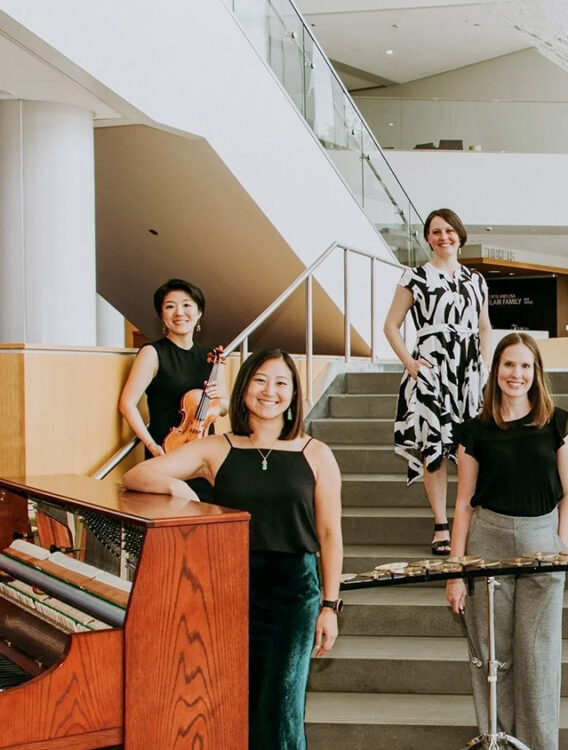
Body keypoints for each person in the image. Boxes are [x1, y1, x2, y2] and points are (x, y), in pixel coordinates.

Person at [123, 348, 343, 750]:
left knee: (280, 708)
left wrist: (330, 606)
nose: (270, 391)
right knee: (222, 702)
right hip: (224, 591)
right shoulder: (217, 448)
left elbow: (330, 534)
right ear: (243, 389)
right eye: (260, 380)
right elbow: (136, 474)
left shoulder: (317, 454)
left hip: (292, 593)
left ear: (294, 394)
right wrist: (178, 489)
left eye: (281, 383)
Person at [444, 332, 568, 750]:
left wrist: (559, 548)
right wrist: (455, 570)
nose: (516, 374)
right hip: (489, 543)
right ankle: (497, 742)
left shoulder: (558, 423)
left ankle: (538, 745)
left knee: (538, 659)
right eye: (508, 365)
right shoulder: (475, 431)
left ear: (536, 373)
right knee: (492, 657)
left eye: (525, 366)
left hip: (543, 542)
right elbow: (464, 503)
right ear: (496, 370)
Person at [384, 208, 493, 556]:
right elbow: (391, 325)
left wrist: (485, 365)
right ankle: (441, 524)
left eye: (449, 230)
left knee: (468, 448)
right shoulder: (415, 277)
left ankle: (467, 515)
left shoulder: (476, 280)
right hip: (433, 370)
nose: (443, 237)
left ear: (460, 235)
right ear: (427, 237)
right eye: (435, 232)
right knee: (434, 447)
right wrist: (410, 363)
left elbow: (484, 325)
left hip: (468, 373)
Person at [117, 278, 225, 500]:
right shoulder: (153, 353)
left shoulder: (211, 357)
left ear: (198, 313)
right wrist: (151, 445)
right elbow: (127, 404)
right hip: (166, 451)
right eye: (170, 306)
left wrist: (219, 398)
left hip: (202, 455)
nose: (179, 312)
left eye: (187, 305)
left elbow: (222, 409)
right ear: (162, 316)